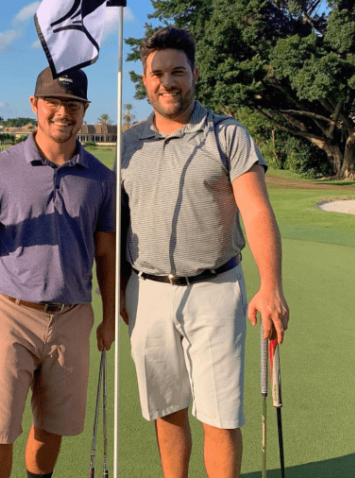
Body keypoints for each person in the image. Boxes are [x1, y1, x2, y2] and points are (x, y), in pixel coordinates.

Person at [119, 26, 290, 478]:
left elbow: (256, 211)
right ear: (145, 80)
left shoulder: (227, 134)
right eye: (157, 74)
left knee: (220, 416)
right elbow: (119, 224)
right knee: (167, 411)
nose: (167, 82)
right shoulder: (129, 144)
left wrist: (271, 286)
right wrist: (120, 289)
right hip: (147, 291)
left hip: (215, 288)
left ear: (194, 74)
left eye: (178, 71)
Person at [0, 67, 117, 478]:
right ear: (35, 104)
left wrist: (108, 317)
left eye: (73, 104)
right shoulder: (0, 168)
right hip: (10, 314)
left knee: (52, 426)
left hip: (72, 316)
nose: (63, 112)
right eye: (53, 102)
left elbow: (106, 253)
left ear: (85, 110)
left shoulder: (102, 179)